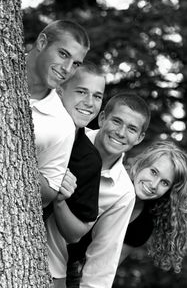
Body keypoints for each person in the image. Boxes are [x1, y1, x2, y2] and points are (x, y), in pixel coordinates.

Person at [61, 92, 151, 288]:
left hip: (63, 262)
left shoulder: (123, 192)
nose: (121, 132)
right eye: (117, 121)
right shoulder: (69, 136)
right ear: (102, 118)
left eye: (132, 129)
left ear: (139, 137)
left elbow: (104, 256)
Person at [45, 61, 106, 287]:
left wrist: (61, 200)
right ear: (60, 91)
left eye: (97, 96)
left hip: (48, 265)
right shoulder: (32, 123)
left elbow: (76, 234)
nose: (89, 103)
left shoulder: (89, 159)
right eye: (81, 92)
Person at [26, 20, 90, 207]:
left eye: (76, 63)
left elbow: (49, 194)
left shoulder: (62, 125)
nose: (67, 69)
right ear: (42, 42)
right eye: (63, 54)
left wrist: (14, 157)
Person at [119, 140, 187, 273]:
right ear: (142, 164)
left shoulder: (143, 224)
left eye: (165, 183)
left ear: (169, 191)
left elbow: (106, 267)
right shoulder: (110, 181)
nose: (154, 185)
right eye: (154, 172)